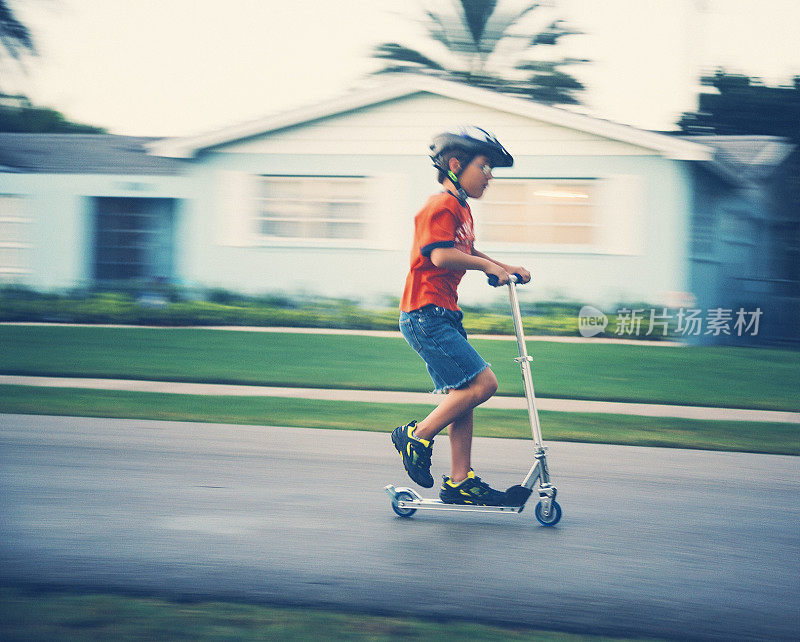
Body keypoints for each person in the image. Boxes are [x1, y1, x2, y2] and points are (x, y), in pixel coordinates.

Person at [392, 126, 531, 506]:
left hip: (442, 315)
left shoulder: (461, 209)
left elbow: (467, 250)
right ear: (455, 165)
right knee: (483, 384)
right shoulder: (441, 206)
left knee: (463, 394)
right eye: (485, 167)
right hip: (425, 314)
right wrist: (487, 269)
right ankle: (417, 435)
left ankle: (459, 481)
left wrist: (503, 266)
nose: (490, 176)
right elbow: (440, 256)